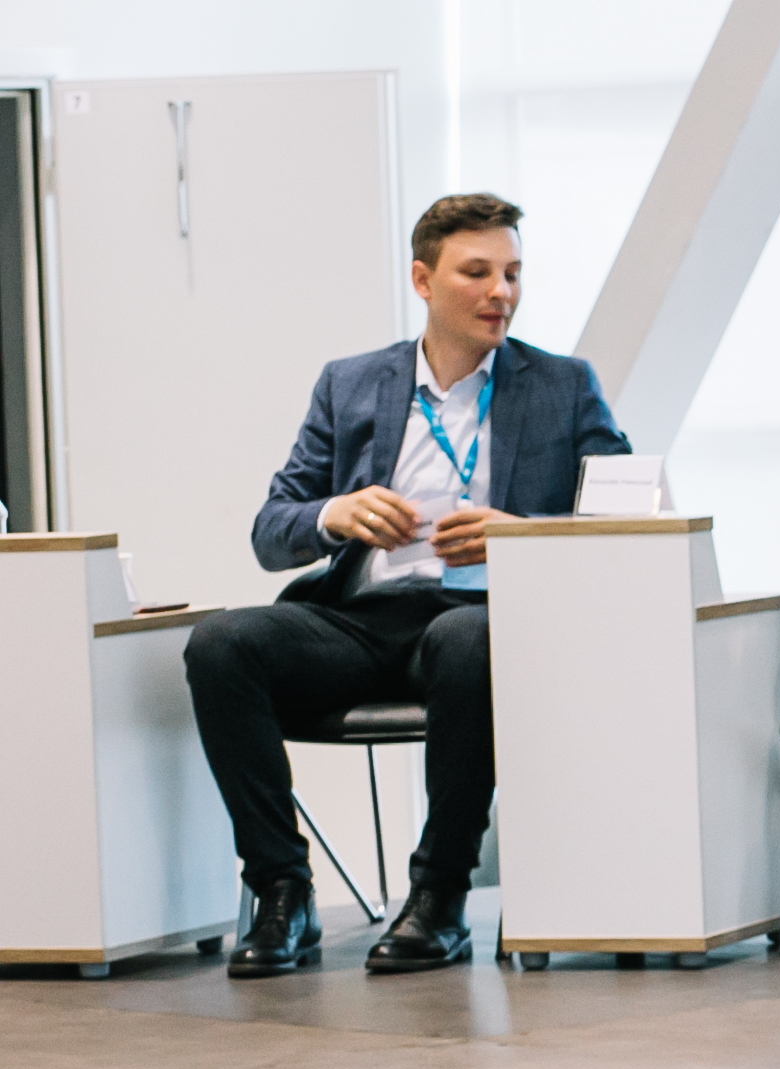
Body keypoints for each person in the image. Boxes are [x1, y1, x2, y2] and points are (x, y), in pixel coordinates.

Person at [186, 193, 630, 978]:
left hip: (482, 616)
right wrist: (334, 513)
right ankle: (282, 890)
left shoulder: (563, 386)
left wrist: (520, 533)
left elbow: (625, 520)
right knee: (221, 644)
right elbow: (271, 530)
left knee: (465, 638)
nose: (501, 292)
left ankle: (440, 895)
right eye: (477, 273)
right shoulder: (351, 383)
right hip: (363, 619)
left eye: (513, 274)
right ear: (424, 280)